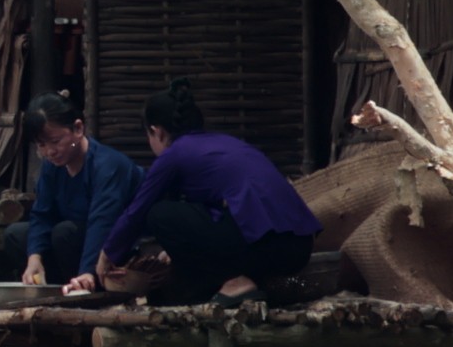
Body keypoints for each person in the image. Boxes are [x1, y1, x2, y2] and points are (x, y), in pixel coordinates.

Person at [101, 84, 319, 303]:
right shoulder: (225, 143)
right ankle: (233, 284)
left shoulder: (174, 153)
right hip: (299, 248)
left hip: (267, 244)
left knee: (159, 215)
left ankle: (236, 282)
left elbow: (138, 211)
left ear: (157, 131)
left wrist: (107, 256)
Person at [18, 87, 143, 290]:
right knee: (16, 235)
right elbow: (42, 213)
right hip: (74, 240)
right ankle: (51, 286)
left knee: (63, 233)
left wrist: (87, 271)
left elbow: (103, 221)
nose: (49, 151)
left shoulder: (107, 165)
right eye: (41, 145)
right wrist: (34, 257)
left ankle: (85, 285)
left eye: (56, 142)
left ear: (78, 129)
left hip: (115, 245)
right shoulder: (52, 167)